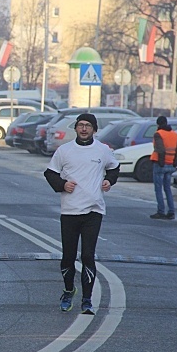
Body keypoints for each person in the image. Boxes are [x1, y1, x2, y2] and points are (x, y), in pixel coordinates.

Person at [44, 113, 119, 315]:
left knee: (87, 255)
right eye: (80, 125)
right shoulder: (64, 151)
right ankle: (68, 291)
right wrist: (62, 184)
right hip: (69, 211)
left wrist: (109, 181)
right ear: (76, 128)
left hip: (94, 210)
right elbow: (50, 173)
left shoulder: (102, 150)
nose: (84, 129)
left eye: (88, 126)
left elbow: (114, 167)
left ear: (94, 129)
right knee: (68, 257)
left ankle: (87, 299)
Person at [150, 115, 177, 220]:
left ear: (158, 124)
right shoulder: (175, 135)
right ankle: (171, 212)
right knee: (167, 189)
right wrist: (174, 163)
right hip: (171, 164)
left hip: (160, 164)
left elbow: (160, 149)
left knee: (158, 189)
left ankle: (161, 211)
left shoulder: (158, 134)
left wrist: (161, 163)